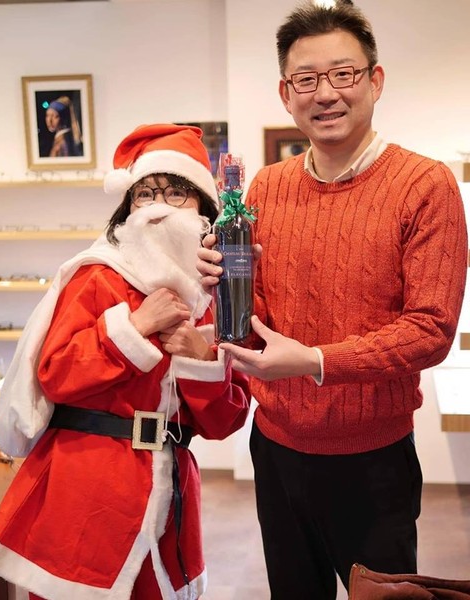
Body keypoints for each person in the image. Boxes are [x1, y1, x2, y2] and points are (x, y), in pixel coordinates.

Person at [197, 2, 468, 599]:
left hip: (374, 459)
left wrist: (315, 361)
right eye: (306, 79)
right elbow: (253, 319)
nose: (326, 93)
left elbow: (431, 330)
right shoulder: (266, 186)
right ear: (285, 93)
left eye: (343, 74)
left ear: (375, 80)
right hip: (275, 447)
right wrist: (219, 286)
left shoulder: (425, 185)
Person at [0, 123, 251, 600]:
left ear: (204, 208)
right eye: (144, 194)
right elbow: (55, 374)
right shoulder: (96, 277)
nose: (157, 207)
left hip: (170, 497)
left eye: (176, 192)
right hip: (84, 489)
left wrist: (201, 359)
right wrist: (133, 328)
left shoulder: (219, 297)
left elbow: (225, 422)